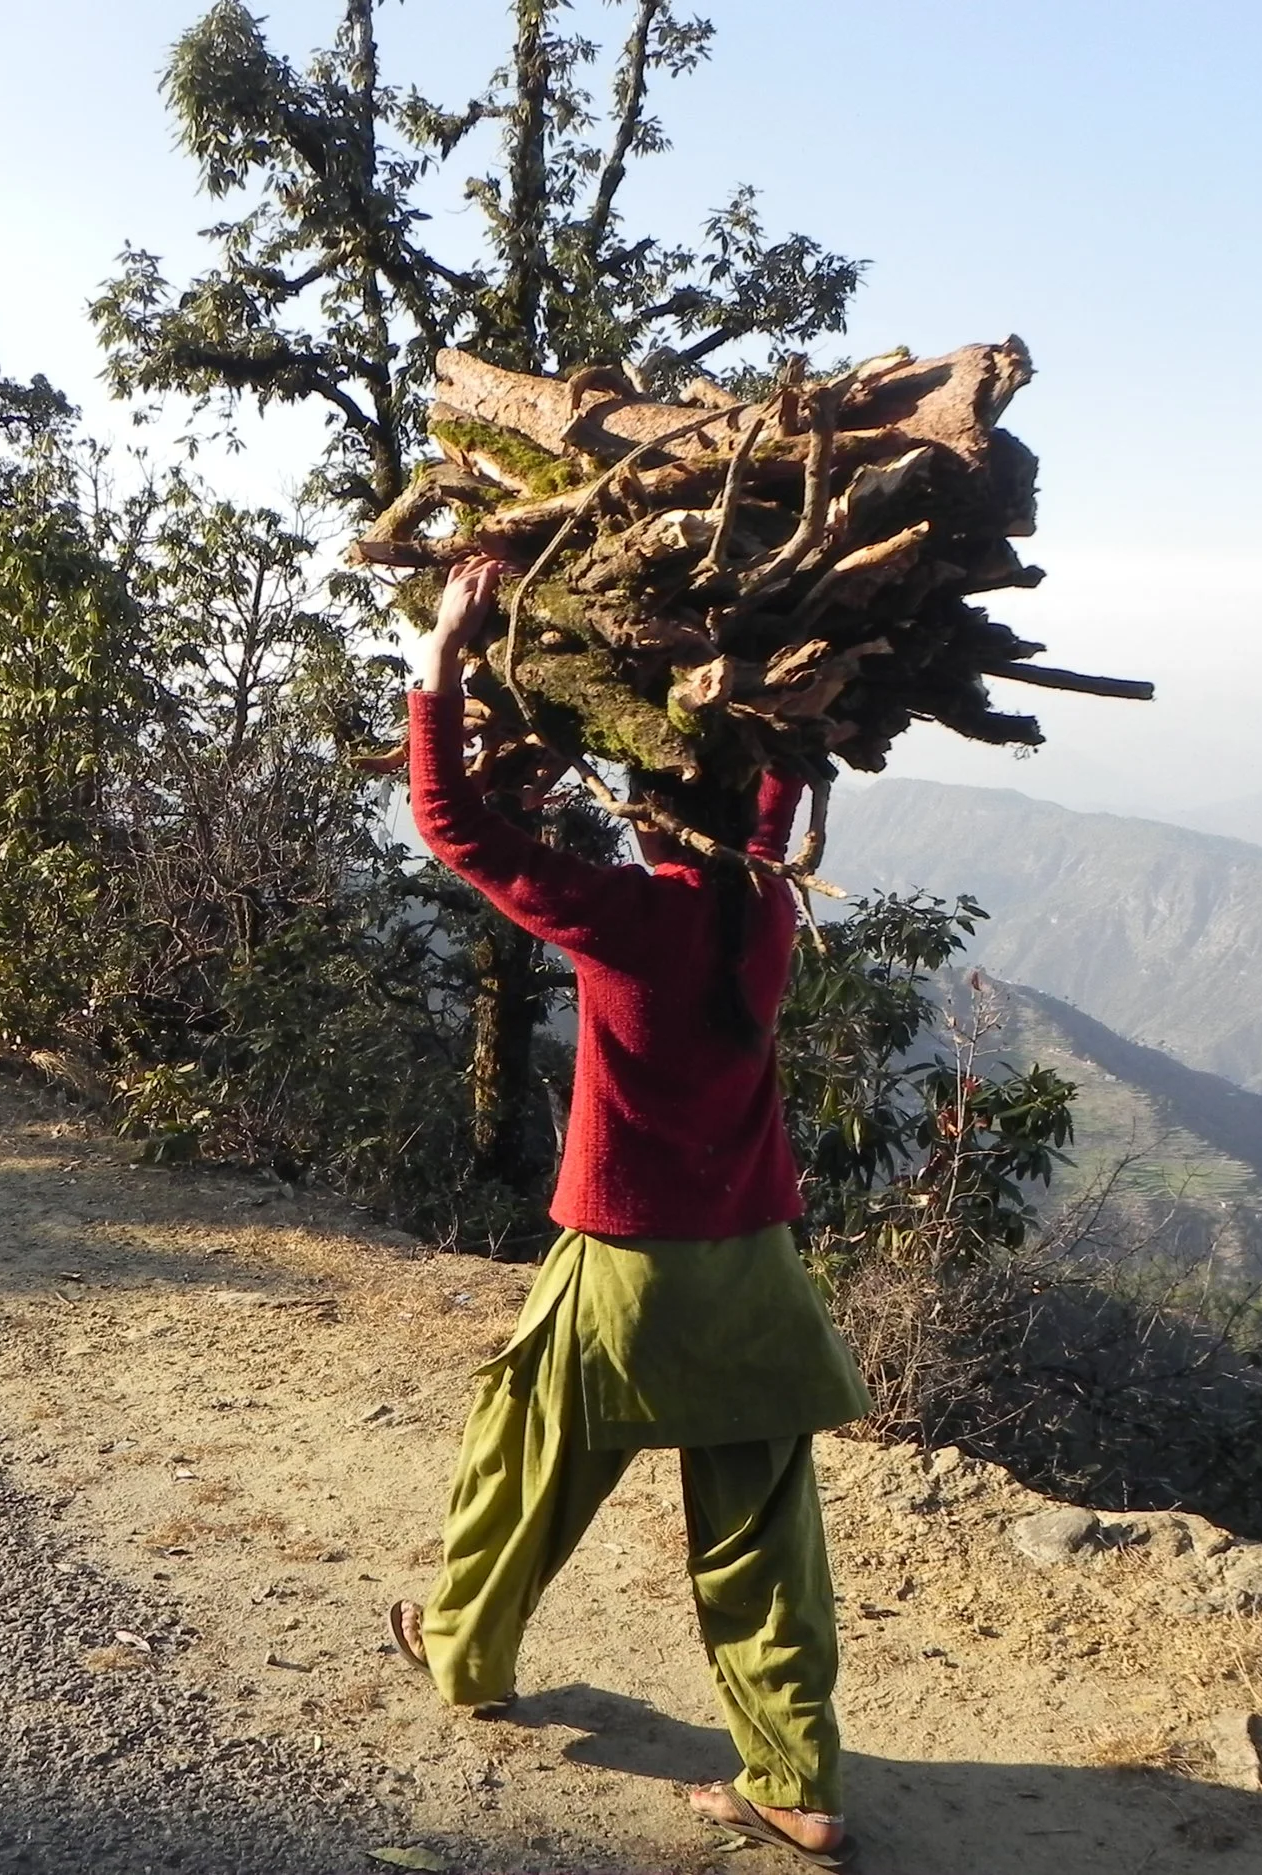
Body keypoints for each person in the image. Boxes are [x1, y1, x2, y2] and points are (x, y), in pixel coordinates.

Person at [387, 556, 870, 1868]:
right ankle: (798, 1781)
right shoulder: (763, 909)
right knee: (765, 1539)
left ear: (654, 808)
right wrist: (787, 728)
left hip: (625, 1268)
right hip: (755, 1268)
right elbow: (765, 818)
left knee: (522, 1454)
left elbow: (456, 831)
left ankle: (464, 1648)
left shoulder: (627, 918)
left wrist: (442, 665)